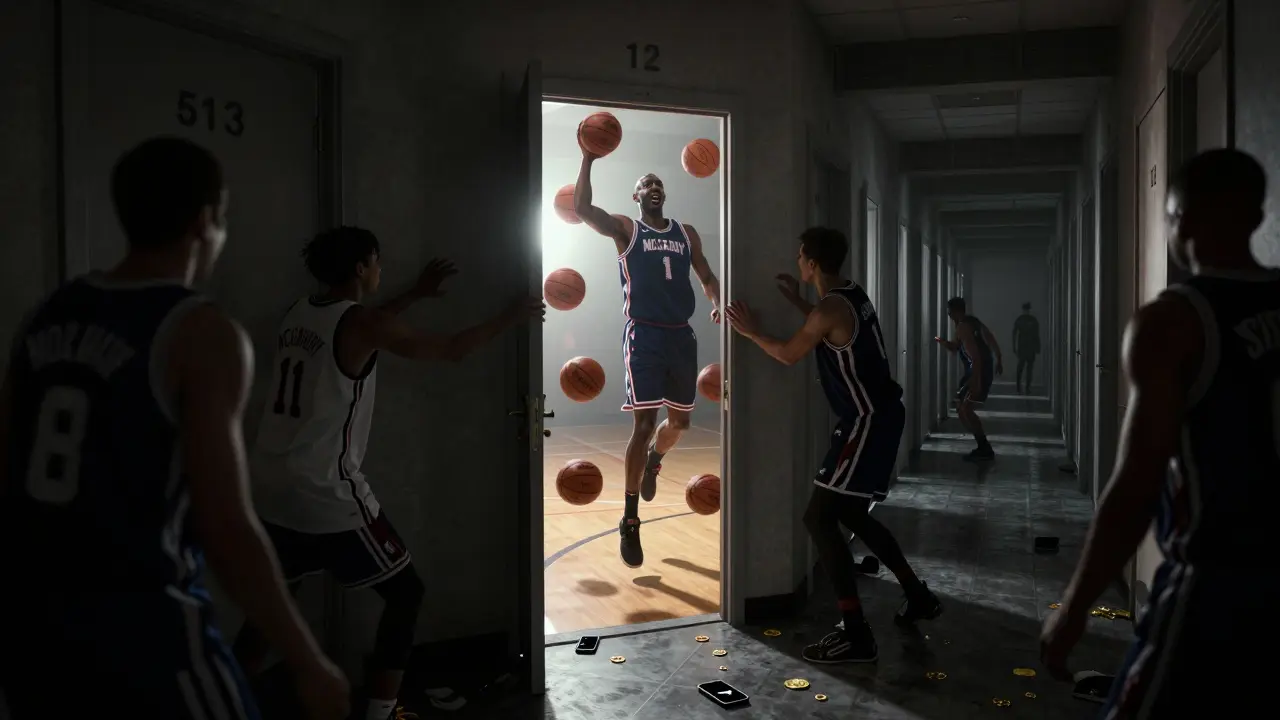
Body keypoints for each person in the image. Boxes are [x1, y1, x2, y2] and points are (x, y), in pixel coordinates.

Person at [0, 137, 349, 719]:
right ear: (206, 220)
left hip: (31, 624)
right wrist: (307, 658)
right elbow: (226, 526)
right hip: (141, 626)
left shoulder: (47, 314)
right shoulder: (201, 333)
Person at [231, 226, 544, 720]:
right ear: (360, 268)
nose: (381, 269)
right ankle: (380, 712)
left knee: (271, 606)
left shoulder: (298, 312)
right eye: (376, 261)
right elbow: (449, 350)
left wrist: (416, 294)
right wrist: (511, 316)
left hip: (271, 486)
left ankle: (226, 702)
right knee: (405, 593)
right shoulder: (359, 323)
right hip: (325, 493)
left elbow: (364, 327)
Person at [1040, 149, 1280, 718]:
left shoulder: (1174, 320)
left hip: (1217, 585)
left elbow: (1137, 484)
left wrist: (1074, 607)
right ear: (1256, 216)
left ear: (1181, 218)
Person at [725, 227, 942, 664]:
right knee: (850, 513)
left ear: (812, 262)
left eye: (800, 255)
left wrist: (751, 332)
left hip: (866, 423)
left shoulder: (828, 308)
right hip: (880, 415)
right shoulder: (849, 294)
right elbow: (826, 324)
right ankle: (917, 595)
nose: (798, 260)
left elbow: (789, 353)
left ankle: (855, 631)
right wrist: (796, 302)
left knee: (819, 518)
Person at [573, 131, 721, 568]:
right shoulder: (626, 229)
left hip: (681, 335)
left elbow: (708, 277)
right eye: (647, 184)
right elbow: (582, 209)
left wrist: (716, 305)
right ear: (636, 196)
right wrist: (588, 157)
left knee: (681, 424)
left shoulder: (685, 233)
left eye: (659, 184)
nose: (654, 187)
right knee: (643, 425)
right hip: (644, 335)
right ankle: (630, 518)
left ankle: (657, 457)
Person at [935, 297, 1004, 461]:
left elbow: (976, 356)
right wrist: (941, 341)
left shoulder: (963, 327)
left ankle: (984, 447)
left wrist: (976, 380)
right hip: (976, 369)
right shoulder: (972, 323)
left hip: (977, 369)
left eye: (950, 312)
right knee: (961, 406)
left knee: (965, 409)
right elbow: (988, 339)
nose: (949, 315)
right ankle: (982, 445)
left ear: (956, 311)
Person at [1012, 302, 1040, 394]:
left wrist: (1037, 347)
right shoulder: (1028, 320)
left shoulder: (1025, 320)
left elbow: (1036, 335)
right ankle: (1019, 386)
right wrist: (1014, 346)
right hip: (1024, 347)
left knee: (1028, 369)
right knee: (1022, 367)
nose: (1026, 311)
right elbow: (1014, 334)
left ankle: (1026, 387)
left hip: (1027, 347)